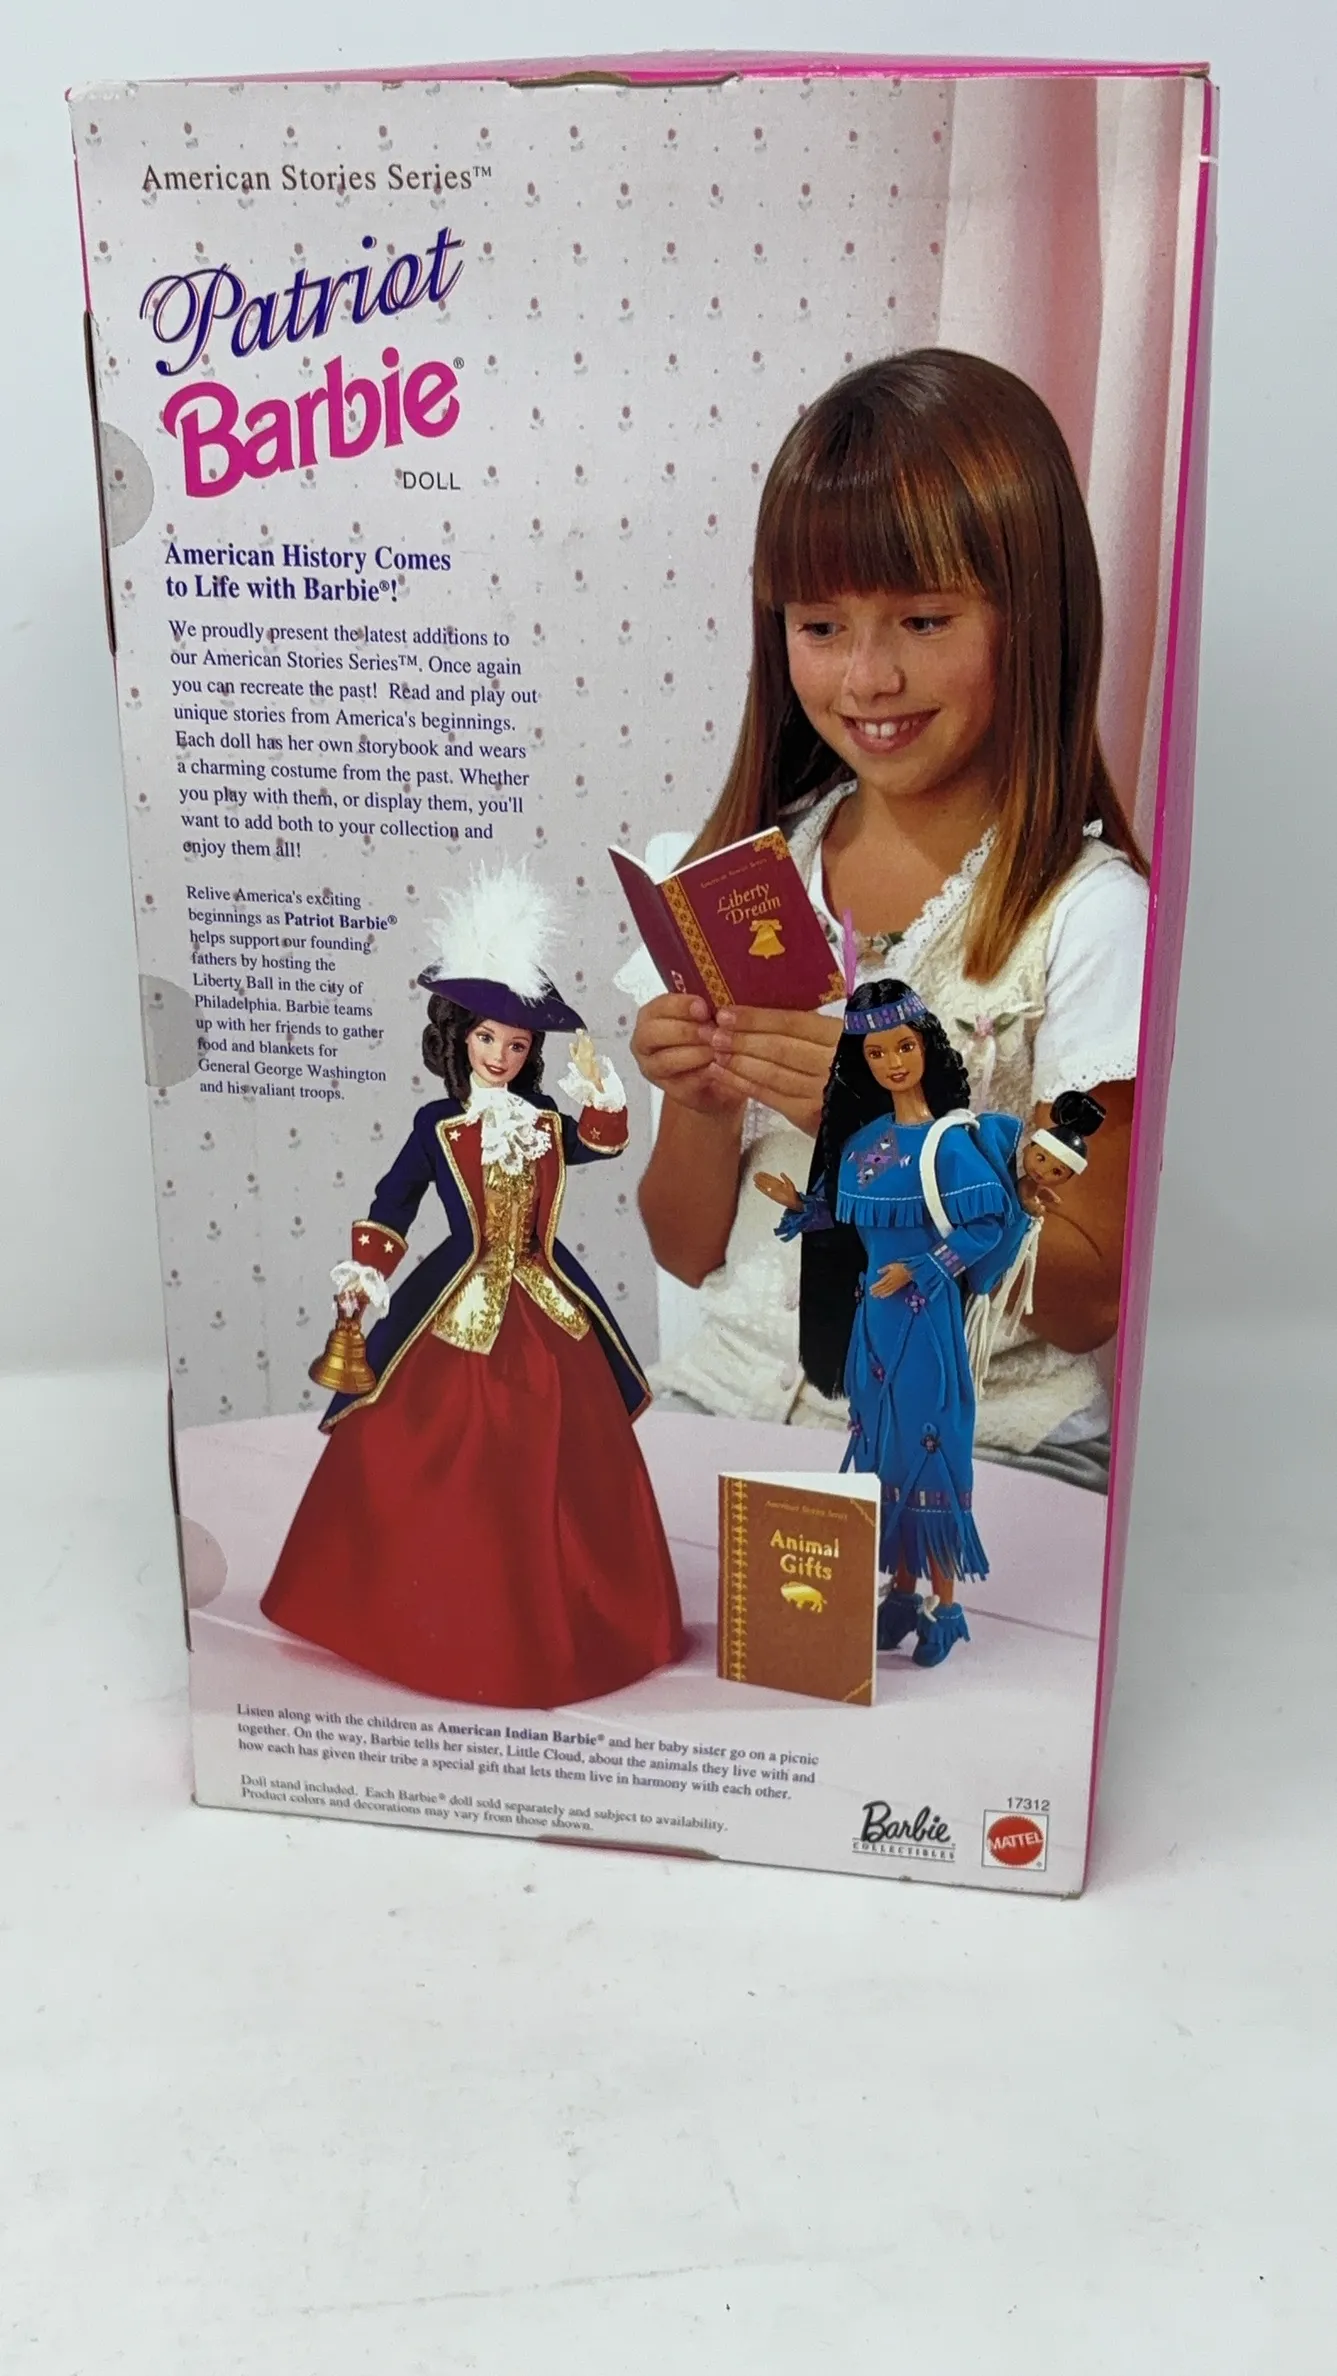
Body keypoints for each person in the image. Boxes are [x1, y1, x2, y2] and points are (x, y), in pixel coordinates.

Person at [622, 349, 1149, 1487]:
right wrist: (701, 1100)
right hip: (732, 1407)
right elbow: (685, 1248)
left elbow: (1084, 1301)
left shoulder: (1088, 920)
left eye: (920, 619)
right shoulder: (748, 881)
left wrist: (896, 1141)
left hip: (982, 1440)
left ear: (1035, 617)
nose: (865, 677)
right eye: (819, 627)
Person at [261, 864, 684, 1709]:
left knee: (568, 1456)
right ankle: (428, 1612)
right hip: (455, 1304)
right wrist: (366, 1276)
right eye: (488, 1039)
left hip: (545, 1302)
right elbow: (394, 1204)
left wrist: (601, 1090)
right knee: (425, 1451)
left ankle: (572, 1617)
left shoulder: (543, 1124)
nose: (500, 1055)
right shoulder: (438, 1125)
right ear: (459, 1040)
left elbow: (602, 1141)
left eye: (517, 1045)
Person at [758, 980, 1027, 1667]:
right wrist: (798, 1204)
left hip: (925, 1320)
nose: (892, 1063)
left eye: (902, 1047)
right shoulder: (864, 1144)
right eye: (876, 1054)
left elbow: (987, 1223)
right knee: (882, 1451)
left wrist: (920, 1269)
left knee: (932, 1447)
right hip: (872, 1323)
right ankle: (900, 1592)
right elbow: (840, 1213)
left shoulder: (950, 1144)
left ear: (925, 1047)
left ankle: (946, 1606)